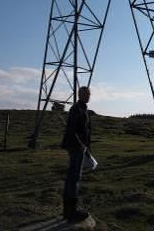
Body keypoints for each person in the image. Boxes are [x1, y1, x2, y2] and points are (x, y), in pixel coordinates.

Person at [62, 86, 91, 222]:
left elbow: (84, 129)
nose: (88, 96)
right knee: (74, 178)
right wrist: (80, 145)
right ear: (80, 95)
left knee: (72, 177)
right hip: (75, 146)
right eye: (86, 94)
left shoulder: (82, 108)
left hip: (77, 146)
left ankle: (67, 211)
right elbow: (72, 130)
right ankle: (71, 212)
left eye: (89, 94)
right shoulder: (76, 109)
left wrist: (86, 147)